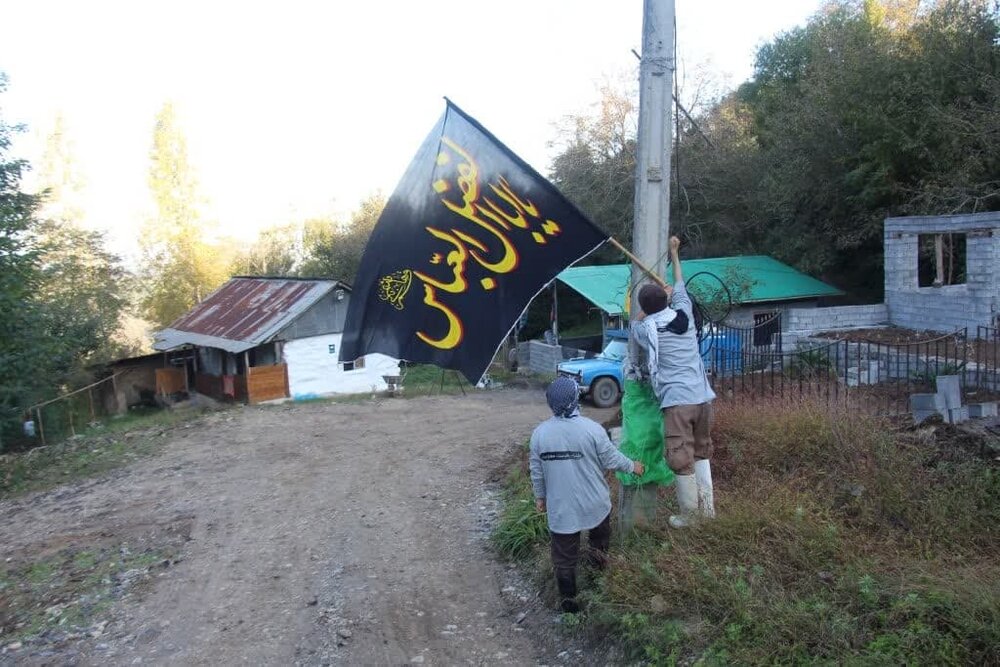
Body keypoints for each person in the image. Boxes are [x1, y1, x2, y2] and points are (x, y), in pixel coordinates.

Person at [530, 376, 645, 613]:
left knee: (563, 557)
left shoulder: (540, 434)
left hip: (562, 507)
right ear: (575, 400)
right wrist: (633, 466)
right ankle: (597, 578)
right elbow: (611, 458)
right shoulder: (591, 429)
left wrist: (540, 497)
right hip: (594, 502)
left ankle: (569, 605)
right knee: (599, 540)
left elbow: (536, 471)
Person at [631, 236, 717, 528]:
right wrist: (674, 253)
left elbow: (635, 323)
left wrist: (648, 308)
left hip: (677, 403)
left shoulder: (648, 330)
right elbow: (680, 284)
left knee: (681, 458)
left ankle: (691, 517)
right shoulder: (685, 315)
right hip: (703, 399)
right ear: (668, 300)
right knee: (702, 451)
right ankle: (708, 511)